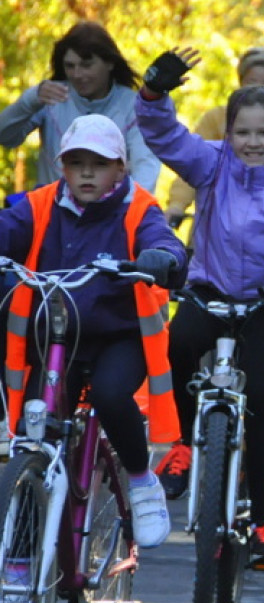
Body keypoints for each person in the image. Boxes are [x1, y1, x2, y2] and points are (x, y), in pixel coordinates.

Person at [136, 48, 264, 571]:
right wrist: (154, 94)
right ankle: (179, 446)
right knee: (176, 349)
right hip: (213, 288)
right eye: (242, 132)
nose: (252, 143)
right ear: (229, 135)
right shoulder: (212, 163)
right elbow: (164, 137)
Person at [0, 114, 188, 549]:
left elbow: (162, 240)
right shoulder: (40, 204)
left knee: (108, 394)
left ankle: (141, 482)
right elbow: (7, 228)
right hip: (56, 337)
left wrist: (161, 257)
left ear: (120, 168)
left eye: (99, 163)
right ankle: (21, 562)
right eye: (76, 162)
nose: (87, 172)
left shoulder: (137, 207)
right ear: (60, 165)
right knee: (38, 433)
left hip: (118, 336)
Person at [163, 46, 264, 226]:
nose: (260, 90)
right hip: (217, 222)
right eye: (252, 82)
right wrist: (177, 205)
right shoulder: (216, 118)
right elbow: (192, 163)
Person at [0, 21, 162, 191]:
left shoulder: (133, 106)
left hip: (111, 214)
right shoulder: (49, 97)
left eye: (86, 65)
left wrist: (133, 211)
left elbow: (145, 168)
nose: (77, 74)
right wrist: (28, 101)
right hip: (52, 212)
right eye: (70, 66)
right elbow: (5, 137)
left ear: (110, 63)